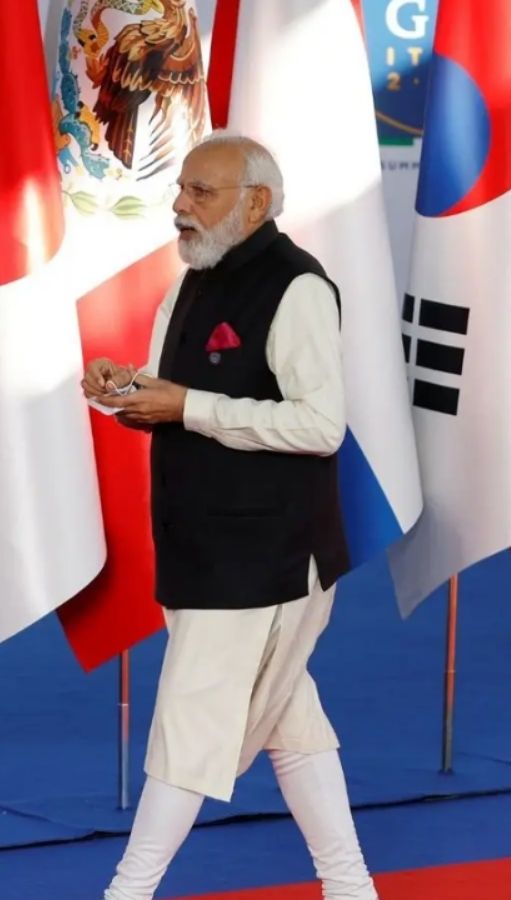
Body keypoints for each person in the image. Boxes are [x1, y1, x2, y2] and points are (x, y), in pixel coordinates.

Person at [84, 132, 378, 900]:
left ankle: (126, 892)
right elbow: (172, 396)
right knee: (288, 716)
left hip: (267, 555)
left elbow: (321, 426)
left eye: (201, 192)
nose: (180, 205)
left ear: (255, 204)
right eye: (182, 189)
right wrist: (125, 392)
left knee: (190, 724)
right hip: (203, 546)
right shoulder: (193, 279)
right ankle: (351, 888)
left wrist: (189, 405)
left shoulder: (298, 287)